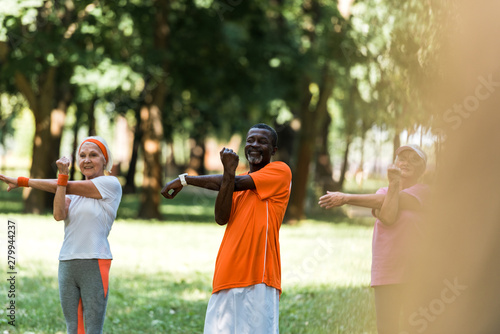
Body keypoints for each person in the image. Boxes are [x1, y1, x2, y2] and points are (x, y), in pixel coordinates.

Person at [161, 124, 292, 334]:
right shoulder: (233, 181)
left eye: (262, 141)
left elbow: (237, 182)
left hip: (258, 276)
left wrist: (184, 180)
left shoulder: (280, 171)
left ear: (274, 150)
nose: (254, 145)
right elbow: (221, 218)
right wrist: (228, 173)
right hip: (225, 274)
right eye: (250, 140)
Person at [0, 136, 122, 334]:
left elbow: (69, 185)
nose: (87, 160)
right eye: (82, 156)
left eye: (93, 155)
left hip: (95, 262)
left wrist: (23, 181)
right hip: (67, 262)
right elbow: (58, 215)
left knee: (92, 329)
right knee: (73, 329)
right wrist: (62, 180)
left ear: (105, 160)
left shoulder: (111, 184)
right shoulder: (68, 190)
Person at [318, 144, 429, 334]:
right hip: (386, 270)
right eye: (402, 158)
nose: (407, 162)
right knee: (387, 329)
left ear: (422, 168)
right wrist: (394, 185)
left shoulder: (425, 191)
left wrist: (346, 198)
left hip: (417, 272)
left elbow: (391, 202)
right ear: (394, 163)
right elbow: (387, 216)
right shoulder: (382, 192)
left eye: (414, 159)